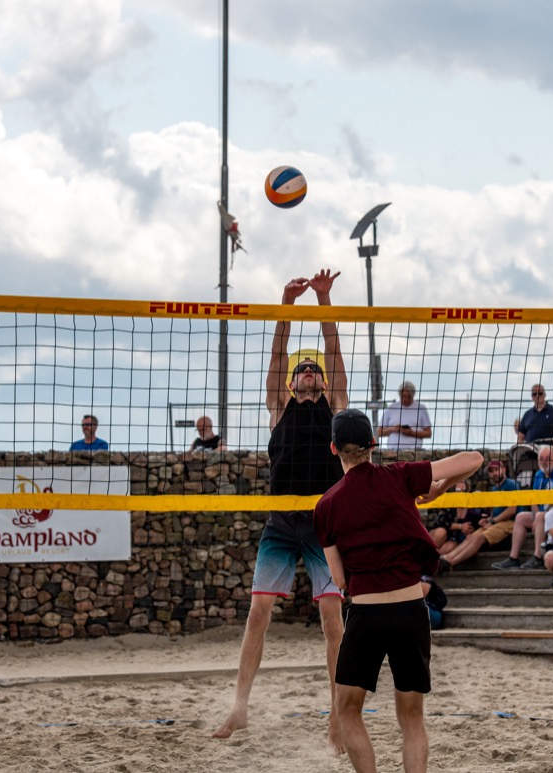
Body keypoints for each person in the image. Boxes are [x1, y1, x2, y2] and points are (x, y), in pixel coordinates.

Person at [214, 270, 348, 750]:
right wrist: (286, 305)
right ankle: (239, 706)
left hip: (324, 525)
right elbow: (277, 354)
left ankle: (338, 715)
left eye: (314, 369)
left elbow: (333, 350)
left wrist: (324, 300)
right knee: (258, 613)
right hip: (281, 524)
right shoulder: (278, 407)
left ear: (323, 381)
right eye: (302, 369)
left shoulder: (336, 409)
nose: (309, 370)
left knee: (332, 620)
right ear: (292, 383)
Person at [314, 408, 483, 773]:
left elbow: (340, 580)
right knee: (411, 718)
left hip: (366, 615)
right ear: (374, 444)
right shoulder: (400, 476)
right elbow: (474, 459)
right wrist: (439, 490)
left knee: (347, 711)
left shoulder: (326, 505)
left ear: (333, 449)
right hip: (411, 611)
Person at [494, 448, 553, 570]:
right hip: (542, 515)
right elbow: (534, 501)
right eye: (541, 459)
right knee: (521, 517)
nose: (544, 462)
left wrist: (539, 517)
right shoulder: (539, 475)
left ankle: (538, 556)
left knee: (540, 516)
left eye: (548, 459)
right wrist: (536, 517)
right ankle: (513, 558)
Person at [377, 381, 433, 450]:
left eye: (409, 397)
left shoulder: (421, 408)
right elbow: (379, 432)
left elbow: (428, 433)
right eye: (403, 397)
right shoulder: (391, 408)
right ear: (400, 395)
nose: (406, 399)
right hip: (393, 450)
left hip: (414, 450)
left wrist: (411, 433)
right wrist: (393, 429)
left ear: (413, 395)